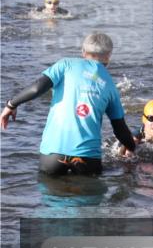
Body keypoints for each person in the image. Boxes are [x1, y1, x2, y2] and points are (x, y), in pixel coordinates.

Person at [1, 32, 136, 175]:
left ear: (83, 52)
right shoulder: (110, 84)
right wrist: (132, 148)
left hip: (53, 155)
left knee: (51, 195)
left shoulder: (65, 64)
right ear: (109, 56)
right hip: (88, 158)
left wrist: (11, 105)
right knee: (88, 196)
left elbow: (36, 88)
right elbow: (120, 129)